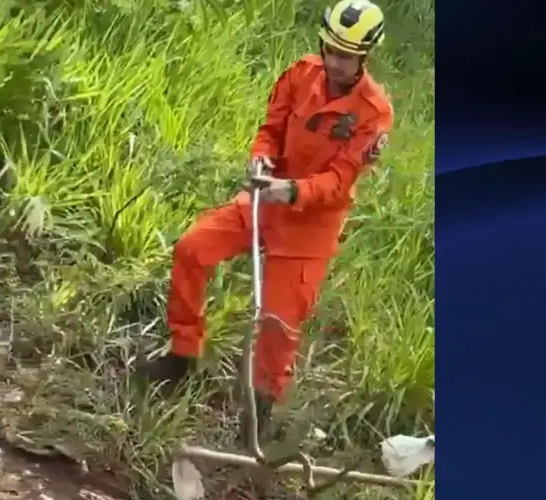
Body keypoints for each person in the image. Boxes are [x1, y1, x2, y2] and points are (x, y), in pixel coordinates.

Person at [140, 0, 394, 446]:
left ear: (364, 58)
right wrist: (262, 156)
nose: (335, 62)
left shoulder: (373, 114)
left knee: (278, 324)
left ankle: (256, 420)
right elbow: (272, 127)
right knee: (192, 249)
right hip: (263, 201)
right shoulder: (301, 74)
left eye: (346, 56)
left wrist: (293, 191)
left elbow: (339, 180)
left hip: (309, 228)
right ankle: (182, 356)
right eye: (330, 50)